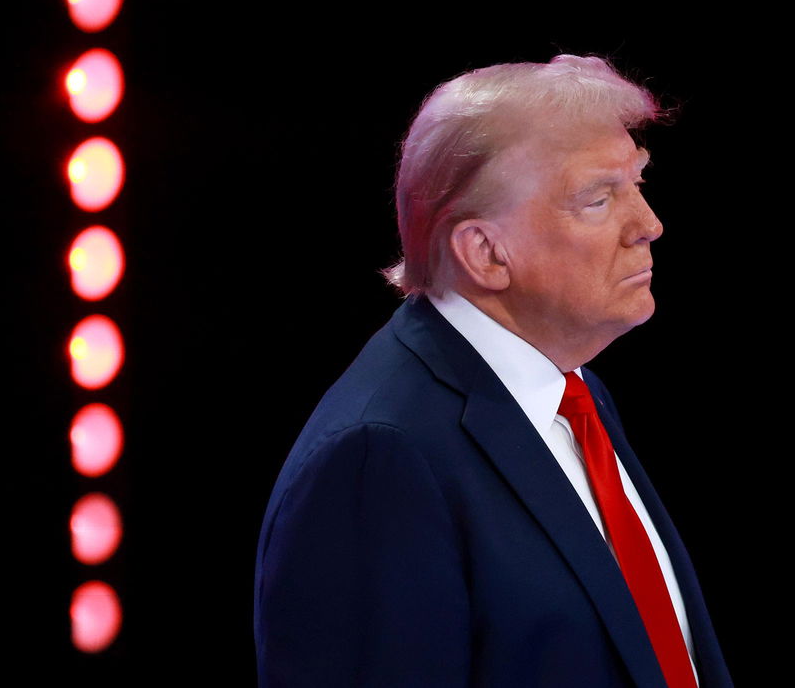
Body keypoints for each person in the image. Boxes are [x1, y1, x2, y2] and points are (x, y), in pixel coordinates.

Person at [254, 55, 732, 687]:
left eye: (638, 184)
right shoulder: (377, 458)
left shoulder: (570, 387)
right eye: (598, 198)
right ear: (484, 252)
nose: (649, 225)